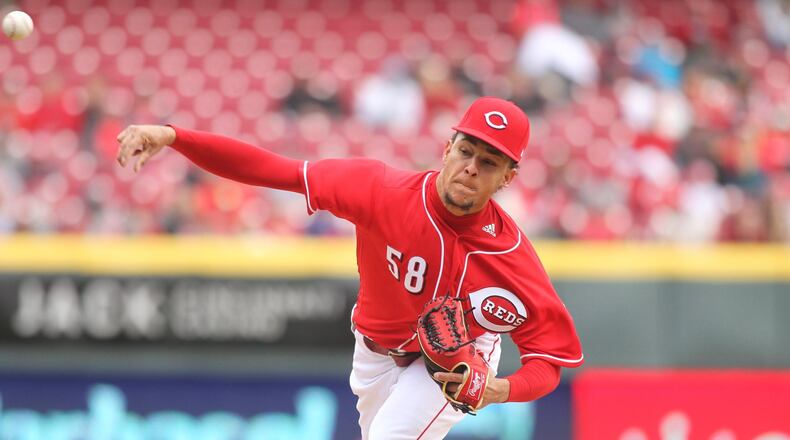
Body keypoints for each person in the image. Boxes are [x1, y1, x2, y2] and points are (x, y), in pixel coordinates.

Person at [116, 96, 584, 439]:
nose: (471, 168)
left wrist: (498, 390)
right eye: (466, 152)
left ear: (508, 177)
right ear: (447, 148)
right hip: (374, 352)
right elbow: (270, 169)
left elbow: (550, 362)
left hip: (453, 360)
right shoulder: (378, 190)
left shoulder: (511, 260)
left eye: (489, 161)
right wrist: (175, 137)